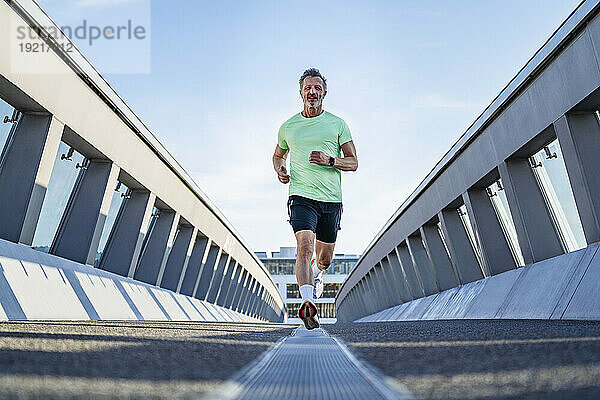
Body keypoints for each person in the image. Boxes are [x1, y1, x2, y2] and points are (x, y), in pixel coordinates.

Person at [272, 68, 358, 329]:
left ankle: (317, 274)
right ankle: (308, 303)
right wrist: (280, 169)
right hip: (301, 196)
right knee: (304, 247)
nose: (312, 92)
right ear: (300, 92)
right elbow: (278, 155)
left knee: (324, 259)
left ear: (325, 93)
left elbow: (353, 162)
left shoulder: (338, 124)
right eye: (308, 88)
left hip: (331, 199)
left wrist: (330, 160)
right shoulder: (288, 127)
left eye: (317, 88)